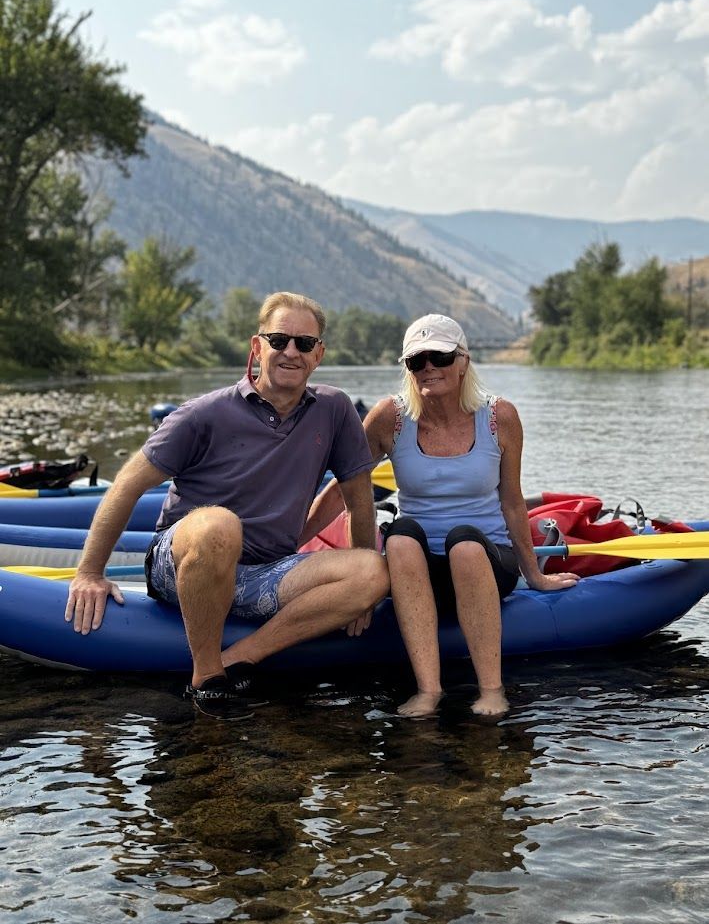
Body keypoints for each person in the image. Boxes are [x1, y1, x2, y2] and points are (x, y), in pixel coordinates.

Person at [65, 292, 389, 718]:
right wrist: (89, 573)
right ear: (258, 347)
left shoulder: (334, 410)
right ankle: (207, 677)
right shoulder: (204, 413)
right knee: (219, 526)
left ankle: (241, 657)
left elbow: (359, 499)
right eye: (280, 340)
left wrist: (360, 599)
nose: (291, 351)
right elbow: (126, 484)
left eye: (304, 344)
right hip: (184, 561)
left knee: (372, 569)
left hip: (267, 573)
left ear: (319, 354)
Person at [308, 314, 579, 718]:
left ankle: (491, 689)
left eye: (440, 356)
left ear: (464, 361)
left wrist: (534, 574)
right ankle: (428, 691)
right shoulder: (390, 418)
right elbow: (344, 488)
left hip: (486, 560)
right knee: (398, 535)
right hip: (418, 569)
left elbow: (512, 500)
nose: (429, 367)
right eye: (417, 361)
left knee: (465, 543)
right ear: (408, 369)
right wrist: (294, 542)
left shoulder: (499, 417)